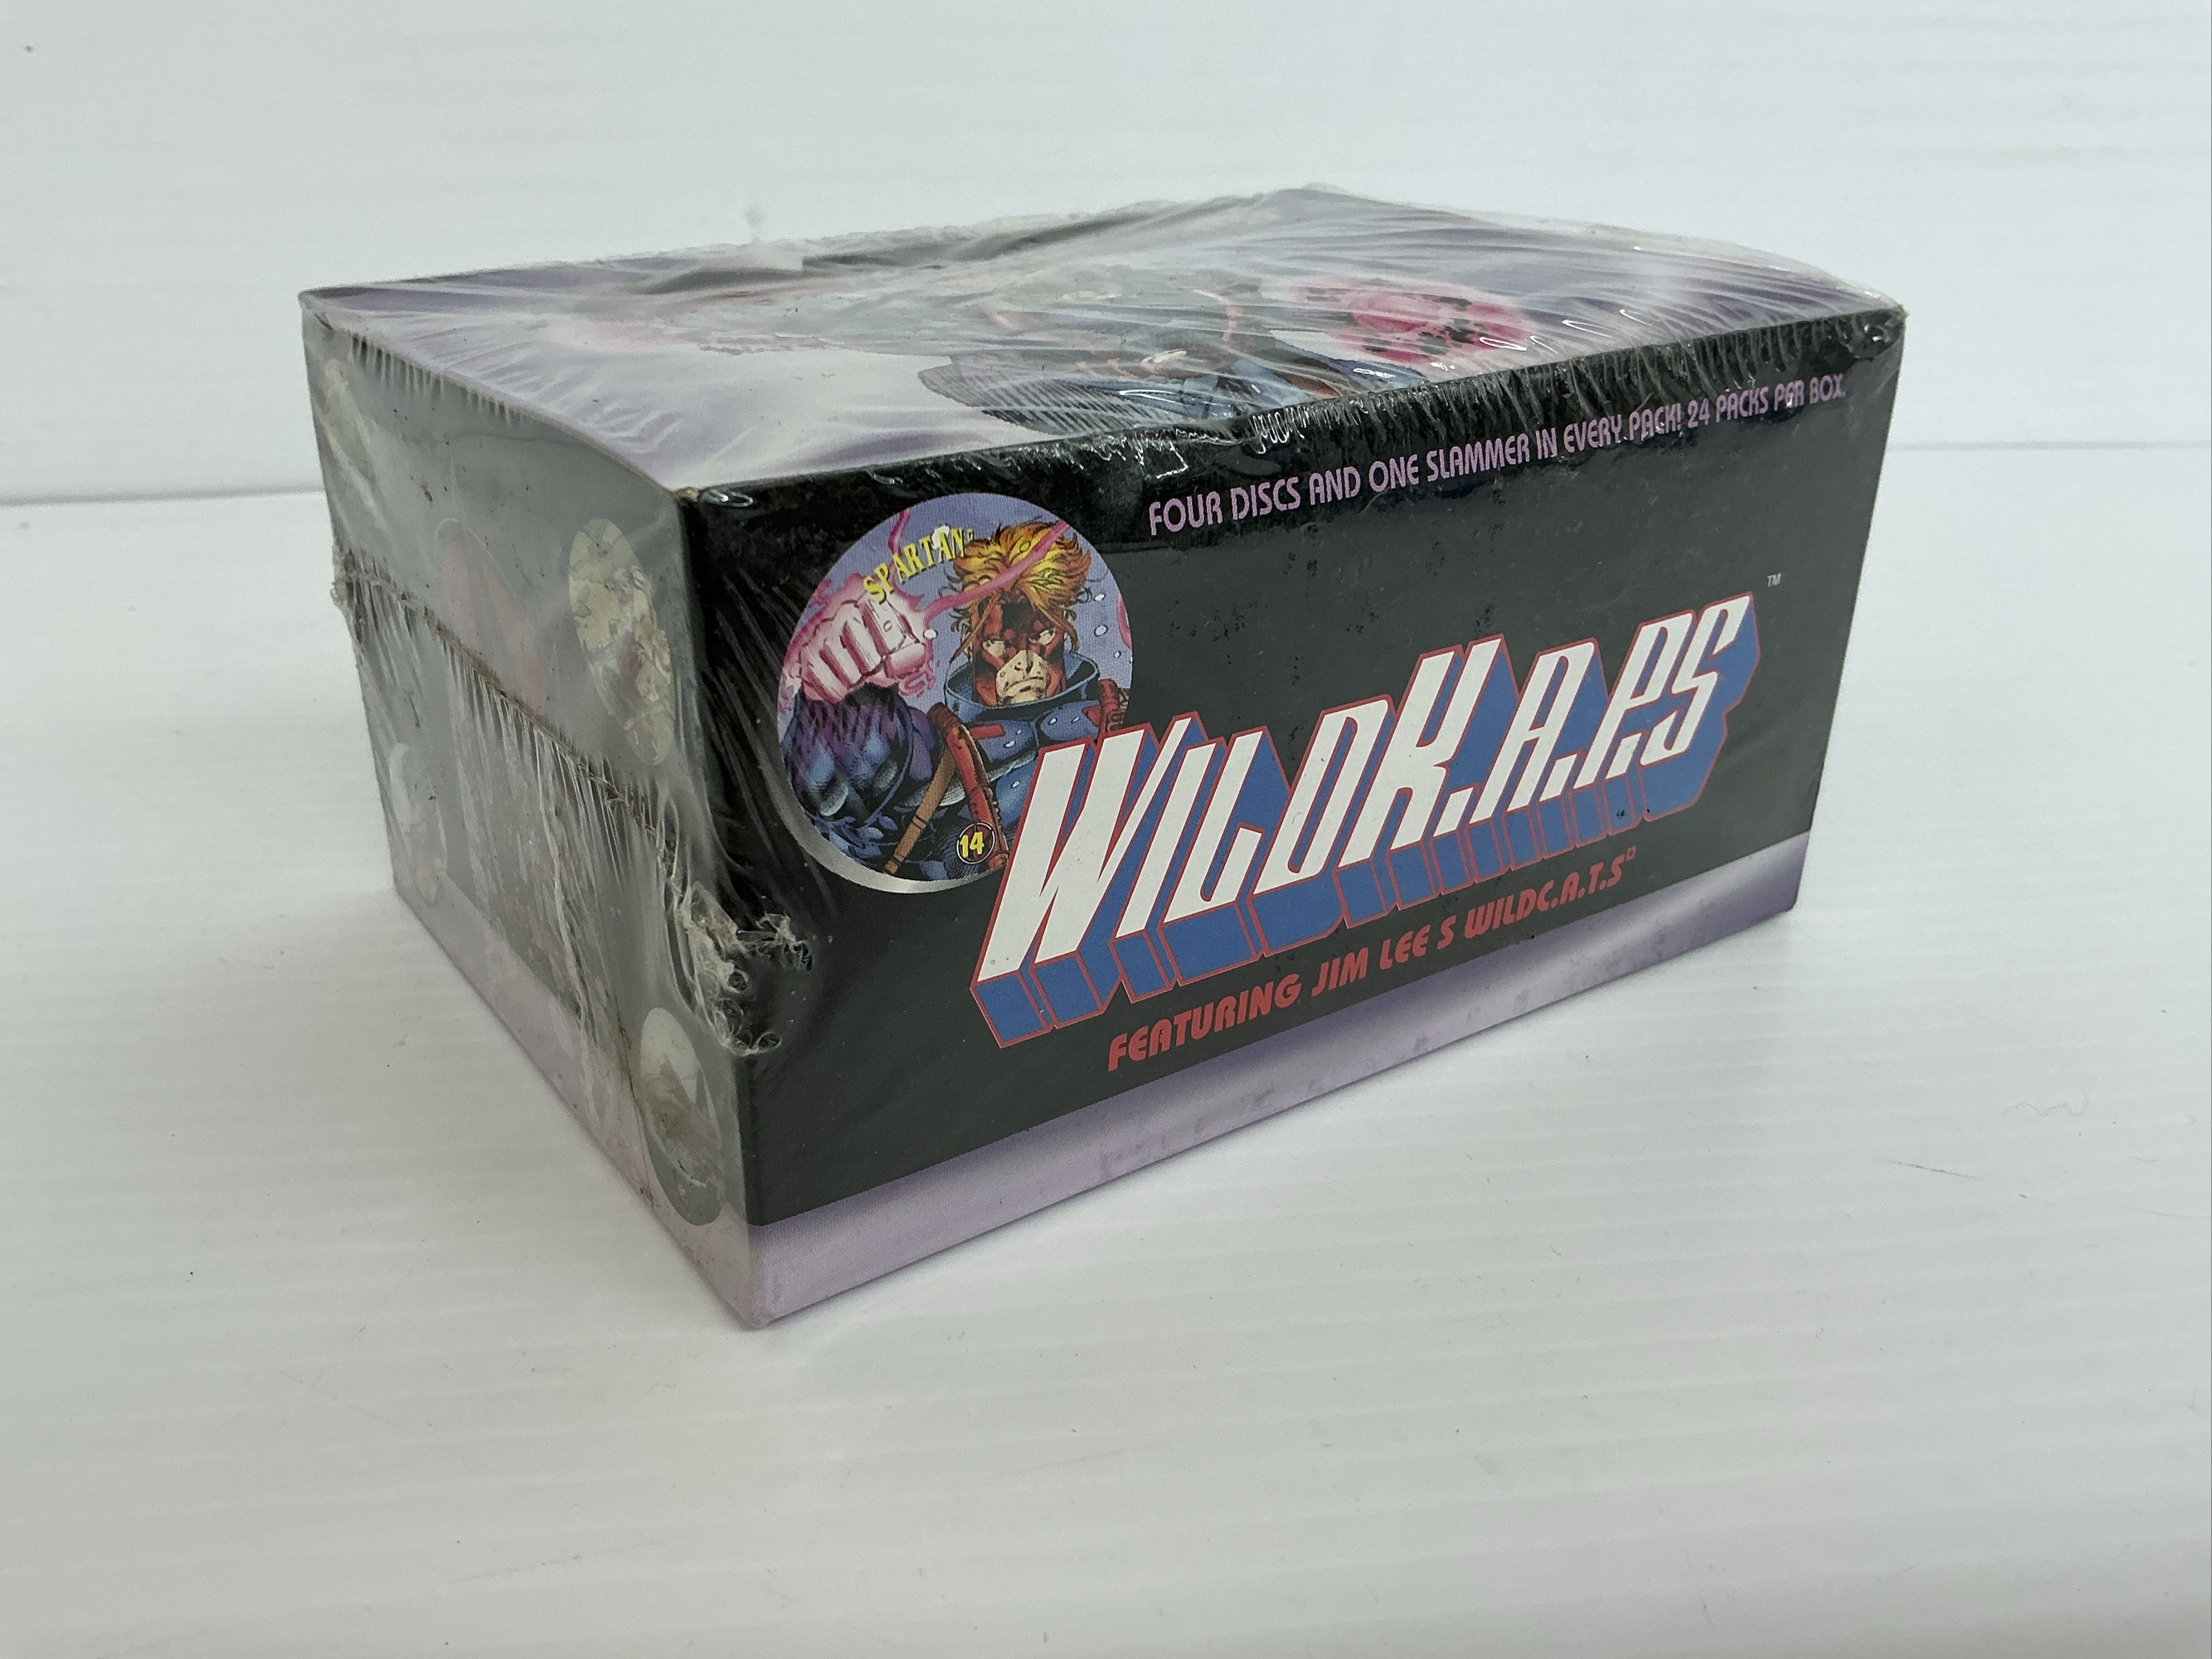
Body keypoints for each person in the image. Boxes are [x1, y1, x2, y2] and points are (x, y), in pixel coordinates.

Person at [781, 520, 1125, 880]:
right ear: (971, 640)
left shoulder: (1113, 708)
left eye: (1042, 635)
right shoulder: (931, 745)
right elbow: (849, 779)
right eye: (998, 644)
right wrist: (836, 695)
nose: (1023, 662)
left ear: (1065, 626)